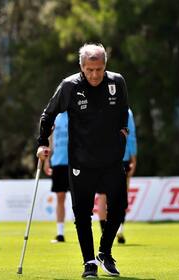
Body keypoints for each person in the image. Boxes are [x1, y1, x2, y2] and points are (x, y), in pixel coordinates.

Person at [36, 43, 129, 278]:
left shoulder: (117, 82)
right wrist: (42, 143)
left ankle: (105, 252)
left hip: (111, 160)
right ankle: (89, 262)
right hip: (81, 161)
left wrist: (122, 134)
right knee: (82, 214)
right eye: (89, 70)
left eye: (99, 69)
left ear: (105, 65)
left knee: (119, 210)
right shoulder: (69, 86)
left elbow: (123, 113)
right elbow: (48, 114)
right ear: (81, 67)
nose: (95, 75)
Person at [98, 108, 137, 244]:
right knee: (120, 195)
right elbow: (131, 136)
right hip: (122, 156)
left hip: (103, 157)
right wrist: (134, 158)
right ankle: (119, 227)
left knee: (102, 195)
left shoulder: (100, 107)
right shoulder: (126, 111)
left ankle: (105, 232)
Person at [43, 111, 69, 243]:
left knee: (81, 199)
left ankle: (84, 232)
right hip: (58, 163)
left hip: (75, 162)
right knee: (60, 197)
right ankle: (60, 233)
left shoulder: (76, 113)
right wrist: (47, 161)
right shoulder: (55, 118)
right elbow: (50, 140)